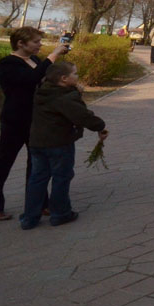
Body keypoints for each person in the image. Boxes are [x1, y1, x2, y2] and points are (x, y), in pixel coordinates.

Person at [0, 27, 70, 221]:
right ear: (21, 43)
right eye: (36, 42)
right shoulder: (8, 64)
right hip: (15, 121)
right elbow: (31, 79)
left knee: (38, 165)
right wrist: (53, 55)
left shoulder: (34, 61)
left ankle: (38, 204)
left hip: (36, 120)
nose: (40, 45)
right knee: (3, 162)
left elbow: (42, 81)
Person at [20, 61, 107, 230]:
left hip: (37, 143)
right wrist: (100, 126)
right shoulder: (65, 97)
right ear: (64, 79)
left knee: (37, 179)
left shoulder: (43, 91)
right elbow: (81, 115)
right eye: (75, 74)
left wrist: (75, 92)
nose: (78, 76)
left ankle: (30, 217)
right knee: (61, 177)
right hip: (58, 144)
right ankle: (60, 213)